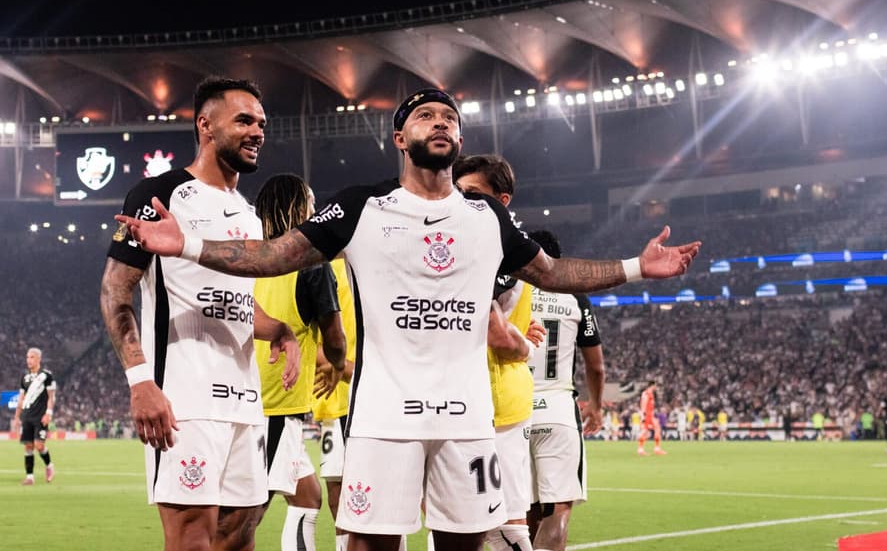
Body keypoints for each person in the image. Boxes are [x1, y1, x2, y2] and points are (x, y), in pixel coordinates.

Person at [114, 86, 701, 551]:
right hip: (382, 421)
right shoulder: (361, 206)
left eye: (449, 118)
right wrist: (187, 244)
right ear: (400, 137)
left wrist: (635, 267)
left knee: (466, 544)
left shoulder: (486, 216)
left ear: (459, 138)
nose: (440, 123)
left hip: (468, 421)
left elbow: (551, 272)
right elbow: (275, 255)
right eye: (425, 116)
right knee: (369, 544)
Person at [99, 77, 302, 551]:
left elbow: (235, 302)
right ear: (206, 125)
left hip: (245, 401)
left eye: (262, 124)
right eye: (244, 121)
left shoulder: (247, 214)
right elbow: (114, 291)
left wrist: (279, 329)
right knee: (192, 538)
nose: (257, 132)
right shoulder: (160, 195)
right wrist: (140, 382)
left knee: (240, 535)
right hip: (185, 401)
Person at [253, 174, 347, 551]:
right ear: (299, 208)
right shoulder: (310, 264)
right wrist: (337, 363)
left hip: (253, 395)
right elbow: (335, 337)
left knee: (307, 496)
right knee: (244, 517)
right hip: (277, 403)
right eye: (310, 202)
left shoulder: (249, 256)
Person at [453, 154, 541, 551]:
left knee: (502, 523)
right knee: (465, 519)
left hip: (492, 401)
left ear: (502, 201)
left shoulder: (499, 250)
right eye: (458, 191)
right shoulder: (516, 248)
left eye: (473, 193)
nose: (462, 200)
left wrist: (523, 345)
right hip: (490, 398)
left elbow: (497, 333)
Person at [523, 230, 605, 551]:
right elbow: (596, 367)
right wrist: (596, 406)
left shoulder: (512, 291)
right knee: (556, 511)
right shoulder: (575, 297)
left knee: (526, 511)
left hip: (515, 412)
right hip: (558, 410)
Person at [312, 256, 358, 551]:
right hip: (335, 400)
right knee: (338, 492)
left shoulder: (373, 269)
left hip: (372, 399)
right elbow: (301, 337)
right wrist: (345, 366)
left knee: (383, 493)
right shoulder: (320, 271)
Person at [12, 347, 56, 485]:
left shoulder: (46, 376)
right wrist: (17, 417)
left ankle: (49, 465)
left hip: (40, 416)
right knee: (28, 446)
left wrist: (48, 413)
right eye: (27, 357)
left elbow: (51, 397)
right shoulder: (24, 378)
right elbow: (21, 398)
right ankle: (30, 477)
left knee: (39, 445)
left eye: (32, 357)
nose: (28, 360)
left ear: (38, 359)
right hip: (27, 416)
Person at [637, 381, 666, 456]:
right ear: (652, 385)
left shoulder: (651, 394)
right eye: (655, 386)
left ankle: (656, 449)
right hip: (647, 415)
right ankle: (641, 449)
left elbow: (650, 406)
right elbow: (643, 405)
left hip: (650, 415)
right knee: (645, 432)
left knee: (657, 428)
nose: (656, 387)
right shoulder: (646, 394)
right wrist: (643, 416)